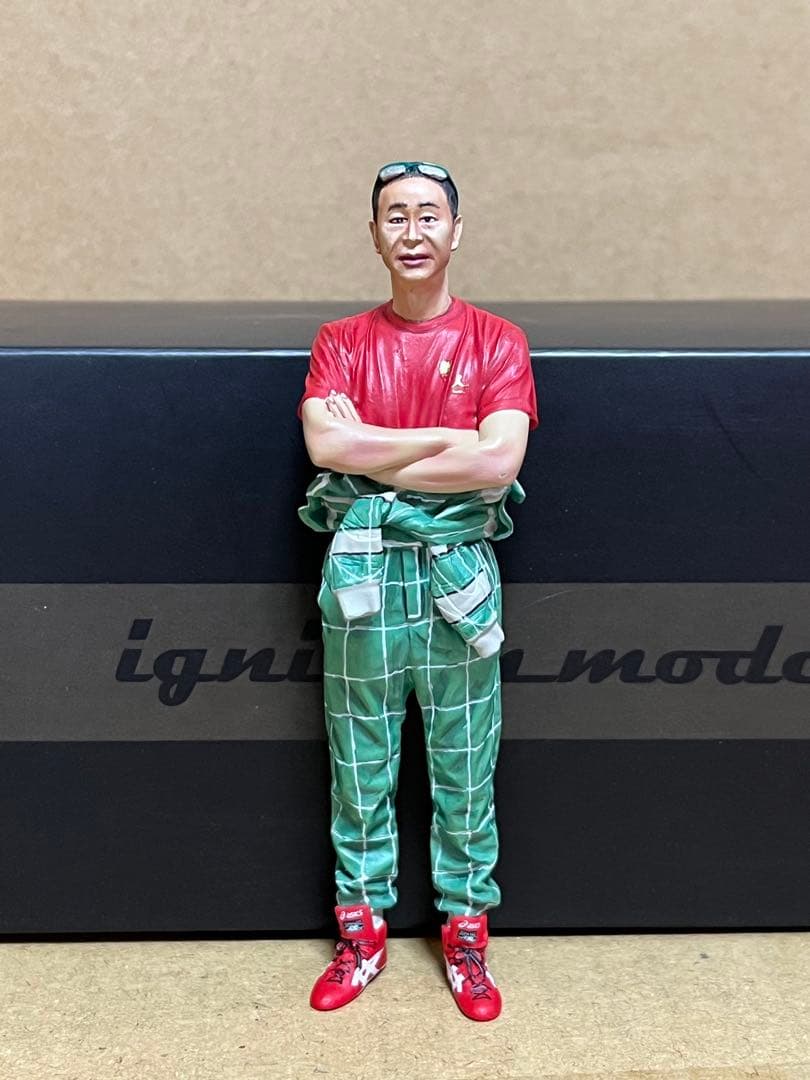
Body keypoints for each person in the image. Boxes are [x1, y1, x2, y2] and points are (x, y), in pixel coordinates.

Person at [296, 160, 538, 1022]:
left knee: (466, 763)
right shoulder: (340, 341)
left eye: (428, 215)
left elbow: (497, 461)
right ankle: (362, 933)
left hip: (455, 575)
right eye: (395, 216)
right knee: (358, 762)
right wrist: (443, 440)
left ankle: (465, 933)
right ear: (374, 234)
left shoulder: (497, 342)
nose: (412, 231)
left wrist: (379, 445)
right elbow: (328, 450)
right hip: (363, 574)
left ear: (455, 231)